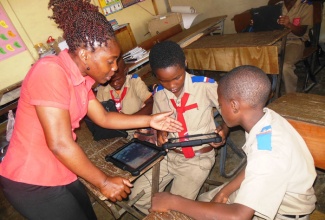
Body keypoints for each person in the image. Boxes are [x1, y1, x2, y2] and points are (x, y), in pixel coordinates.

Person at [0, 1, 182, 219]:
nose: (115, 68)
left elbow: (104, 117)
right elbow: (59, 143)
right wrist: (103, 181)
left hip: (61, 169)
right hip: (31, 179)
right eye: (110, 60)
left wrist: (150, 120)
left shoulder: (81, 79)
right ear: (85, 55)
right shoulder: (49, 72)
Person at [150, 65, 317, 220]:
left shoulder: (268, 154)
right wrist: (225, 191)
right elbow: (254, 166)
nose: (220, 110)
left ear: (234, 106)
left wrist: (174, 201)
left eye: (221, 105)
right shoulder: (264, 118)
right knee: (204, 201)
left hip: (284, 212)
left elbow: (239, 216)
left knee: (188, 210)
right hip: (274, 191)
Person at [128, 40, 229, 214]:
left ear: (185, 65)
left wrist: (224, 129)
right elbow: (159, 123)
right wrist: (161, 133)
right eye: (164, 80)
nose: (172, 86)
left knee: (176, 211)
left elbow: (230, 113)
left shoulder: (205, 85)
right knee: (137, 198)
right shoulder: (159, 93)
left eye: (177, 77)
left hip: (197, 160)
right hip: (169, 157)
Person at [96, 58, 156, 142]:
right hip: (117, 133)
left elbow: (151, 103)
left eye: (118, 79)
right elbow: (98, 116)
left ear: (125, 70)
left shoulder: (134, 82)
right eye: (111, 81)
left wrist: (128, 120)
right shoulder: (102, 89)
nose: (115, 83)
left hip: (140, 128)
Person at [271, 0, 313, 93]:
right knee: (260, 60)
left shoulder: (305, 6)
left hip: (295, 41)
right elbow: (268, 26)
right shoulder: (277, 5)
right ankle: (266, 94)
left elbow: (301, 32)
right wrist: (257, 21)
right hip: (276, 41)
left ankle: (291, 96)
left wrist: (289, 24)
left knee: (285, 66)